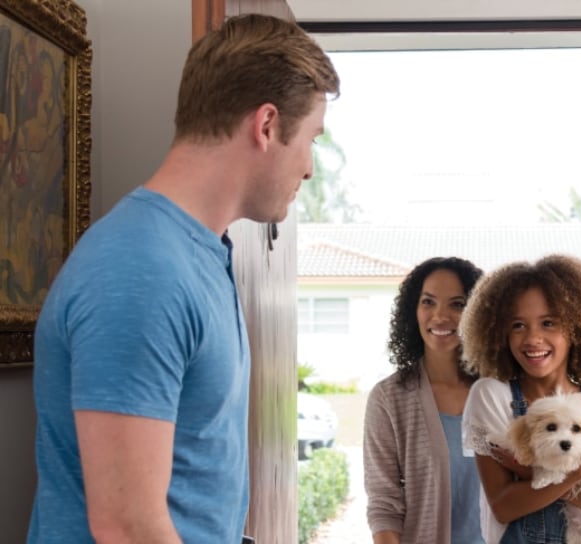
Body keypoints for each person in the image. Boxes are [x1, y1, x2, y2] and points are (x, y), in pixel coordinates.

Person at [27, 14, 340, 543]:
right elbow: (127, 528)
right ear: (266, 125)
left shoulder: (197, 254)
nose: (309, 168)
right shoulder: (142, 268)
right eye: (311, 138)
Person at [460, 254, 581, 544]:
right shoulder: (492, 395)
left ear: (577, 327)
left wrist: (532, 472)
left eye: (548, 323)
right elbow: (504, 506)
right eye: (518, 325)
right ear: (500, 333)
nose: (533, 338)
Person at [363, 256, 485, 544]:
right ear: (413, 310)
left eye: (457, 304)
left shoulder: (501, 392)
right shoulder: (389, 398)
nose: (440, 316)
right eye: (428, 302)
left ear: (478, 313)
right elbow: (384, 505)